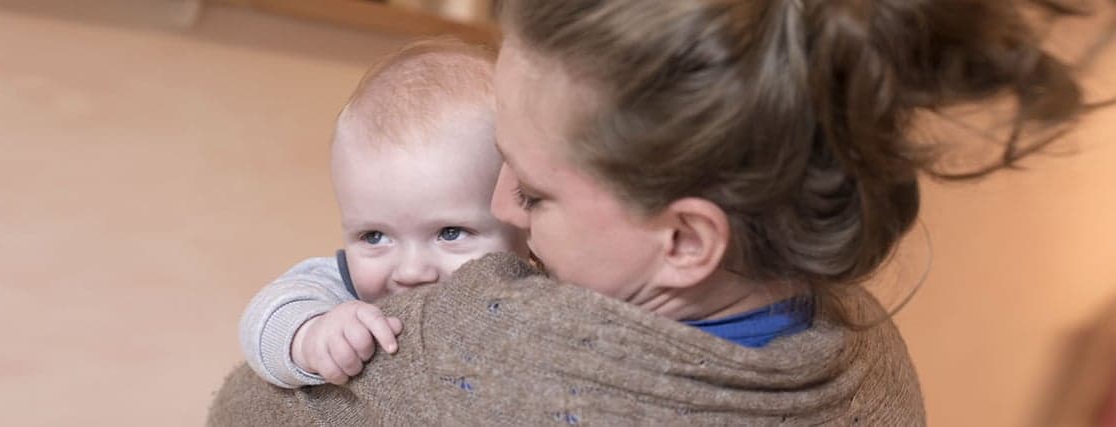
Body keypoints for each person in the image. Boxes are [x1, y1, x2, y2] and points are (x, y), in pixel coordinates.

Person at [211, 0, 1101, 424]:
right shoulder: (871, 354)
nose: (495, 206)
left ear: (682, 239)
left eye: (536, 188)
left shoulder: (487, 351)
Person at [237, 38, 522, 389]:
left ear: (523, 218)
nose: (411, 272)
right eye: (374, 236)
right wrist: (312, 336)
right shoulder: (342, 290)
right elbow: (264, 318)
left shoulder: (541, 291)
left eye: (450, 232)